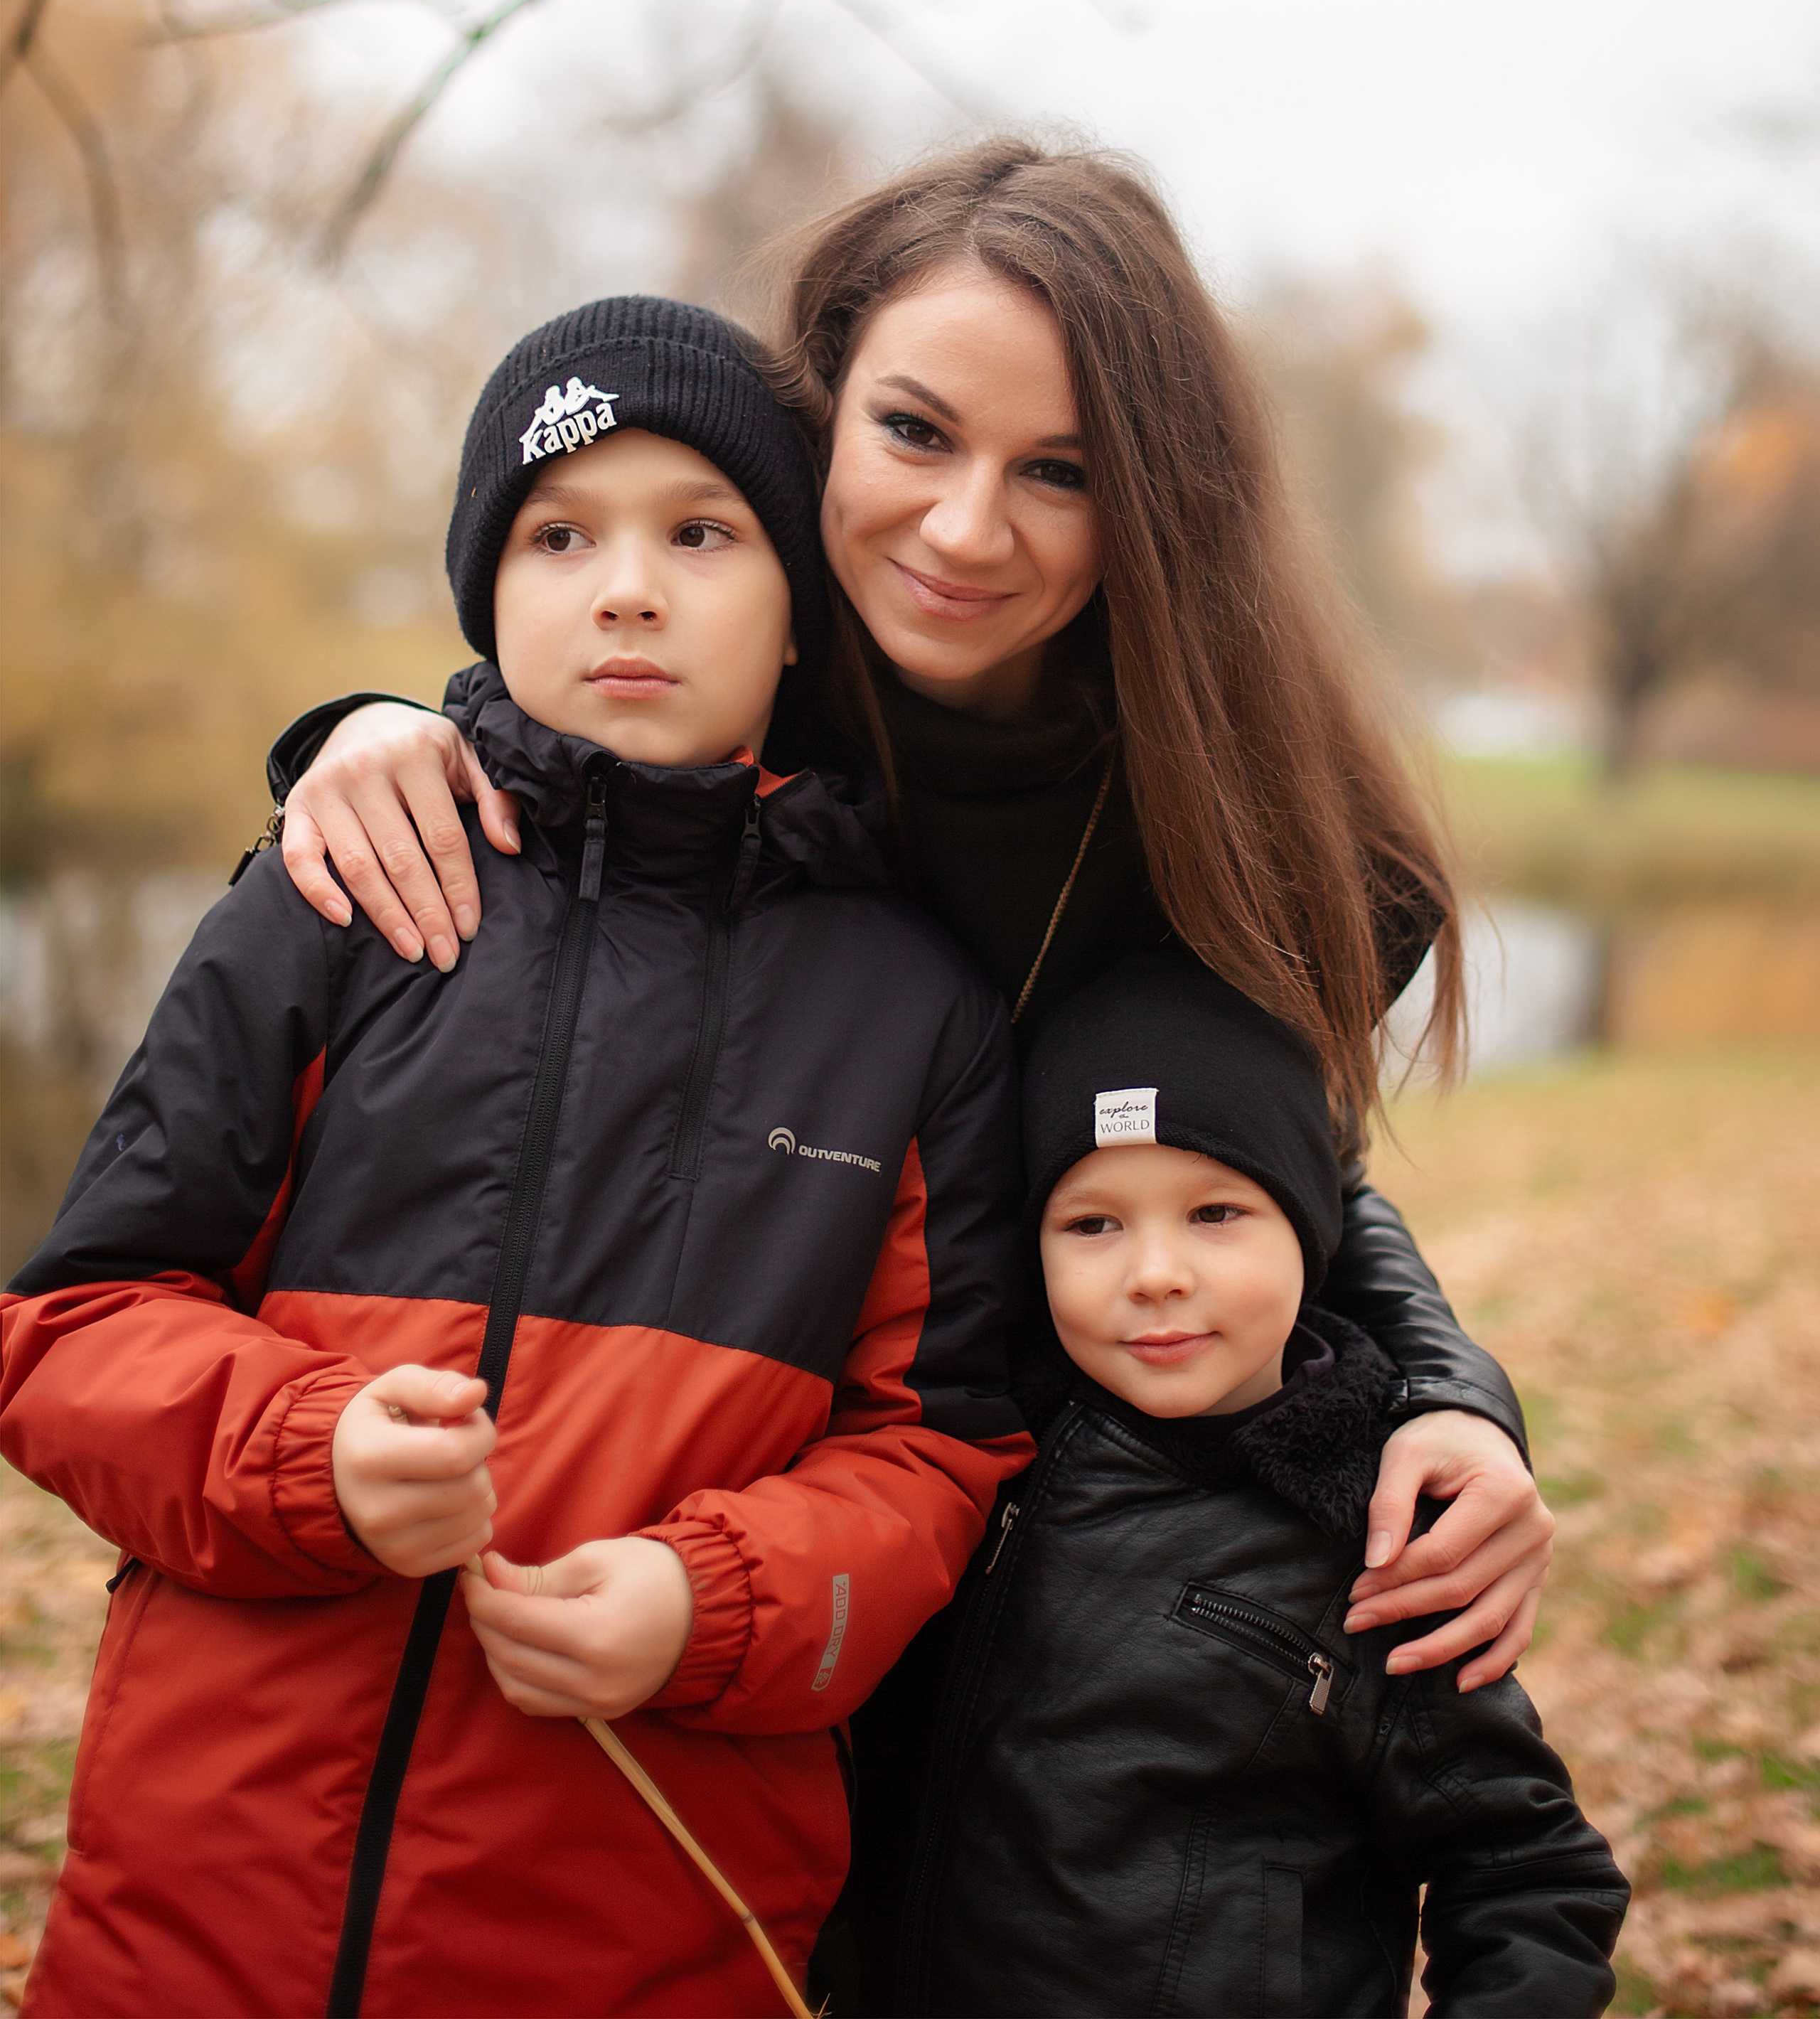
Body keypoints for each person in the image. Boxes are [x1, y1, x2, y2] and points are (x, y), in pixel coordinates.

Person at [257, 139, 1557, 1986]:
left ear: (1156, 503)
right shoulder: (733, 686)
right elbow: (536, 788)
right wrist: (369, 729)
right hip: (700, 1520)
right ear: (821, 419)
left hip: (1050, 1595)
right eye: (916, 434)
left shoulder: (1263, 832)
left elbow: (1269, 1175)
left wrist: (1448, 1400)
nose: (961, 530)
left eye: (1060, 473)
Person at [0, 297, 1032, 2019]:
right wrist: (310, 1451)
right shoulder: (333, 896)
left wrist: (710, 1602)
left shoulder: (912, 1011)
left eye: (700, 533)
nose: (625, 588)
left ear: (800, 608)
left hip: (638, 1941)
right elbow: (74, 1327)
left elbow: (934, 1454)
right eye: (560, 535)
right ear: (487, 589)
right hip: (194, 1925)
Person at [899, 949, 1628, 2018]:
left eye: (1216, 1213)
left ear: (1312, 1229)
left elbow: (1530, 1875)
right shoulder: (977, 1454)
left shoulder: (1380, 1542)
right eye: (1092, 1224)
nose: (1154, 1274)